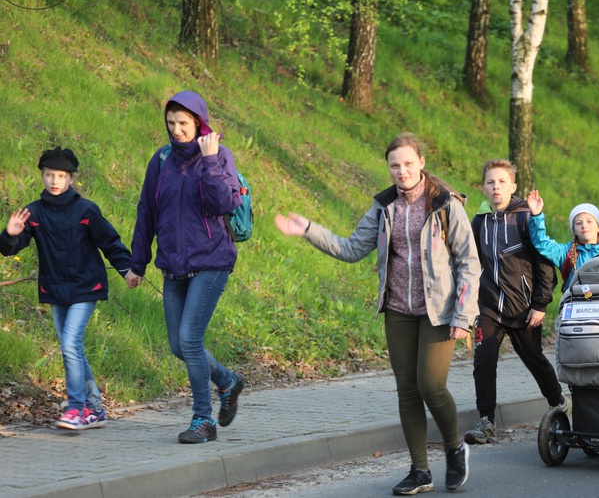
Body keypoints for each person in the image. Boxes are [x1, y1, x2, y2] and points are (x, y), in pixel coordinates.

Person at [275, 132, 480, 495]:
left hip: (440, 313)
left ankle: (454, 447)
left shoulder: (445, 204)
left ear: (421, 164)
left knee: (431, 386)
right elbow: (351, 248)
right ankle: (420, 471)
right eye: (394, 165)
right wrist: (308, 229)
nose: (401, 171)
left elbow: (468, 262)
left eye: (407, 164)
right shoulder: (385, 205)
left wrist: (463, 315)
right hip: (398, 309)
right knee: (407, 391)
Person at [126, 91, 246, 444]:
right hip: (174, 265)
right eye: (171, 123)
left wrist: (209, 162)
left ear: (199, 123)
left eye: (184, 123)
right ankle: (227, 381)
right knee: (179, 346)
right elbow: (146, 212)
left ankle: (202, 420)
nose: (177, 130)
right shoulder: (161, 160)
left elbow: (225, 202)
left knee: (190, 340)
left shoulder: (219, 155)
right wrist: (138, 263)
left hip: (212, 261)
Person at [0, 146, 132, 430]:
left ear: (72, 179)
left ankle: (75, 408)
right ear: (43, 177)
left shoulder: (85, 210)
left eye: (61, 175)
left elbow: (110, 242)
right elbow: (11, 249)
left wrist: (128, 270)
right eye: (49, 175)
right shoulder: (33, 213)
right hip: (55, 289)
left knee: (71, 344)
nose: (54, 180)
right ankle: (94, 409)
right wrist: (9, 235)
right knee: (72, 348)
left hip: (86, 286)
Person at [463, 160, 565, 446]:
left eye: (502, 182)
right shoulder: (479, 220)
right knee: (484, 359)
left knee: (535, 360)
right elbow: (469, 260)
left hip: (523, 308)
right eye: (490, 182)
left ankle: (558, 404)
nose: (496, 187)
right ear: (483, 187)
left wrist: (541, 304)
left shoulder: (524, 217)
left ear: (513, 186)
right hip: (490, 305)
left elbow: (544, 263)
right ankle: (486, 421)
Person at [526, 191, 599, 292]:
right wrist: (536, 215)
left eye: (589, 221)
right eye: (578, 223)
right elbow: (542, 243)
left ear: (598, 227)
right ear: (574, 231)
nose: (584, 225)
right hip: (574, 305)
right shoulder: (566, 253)